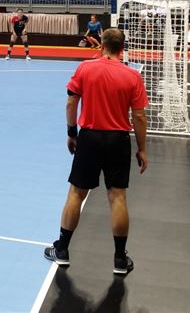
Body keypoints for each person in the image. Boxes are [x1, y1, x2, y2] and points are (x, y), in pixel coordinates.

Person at [46, 28, 148, 276]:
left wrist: (72, 132)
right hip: (118, 140)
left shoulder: (85, 68)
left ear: (101, 44)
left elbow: (71, 102)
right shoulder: (132, 76)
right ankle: (120, 259)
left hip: (90, 138)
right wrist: (142, 149)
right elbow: (139, 117)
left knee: (76, 193)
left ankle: (62, 250)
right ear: (122, 48)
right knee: (118, 197)